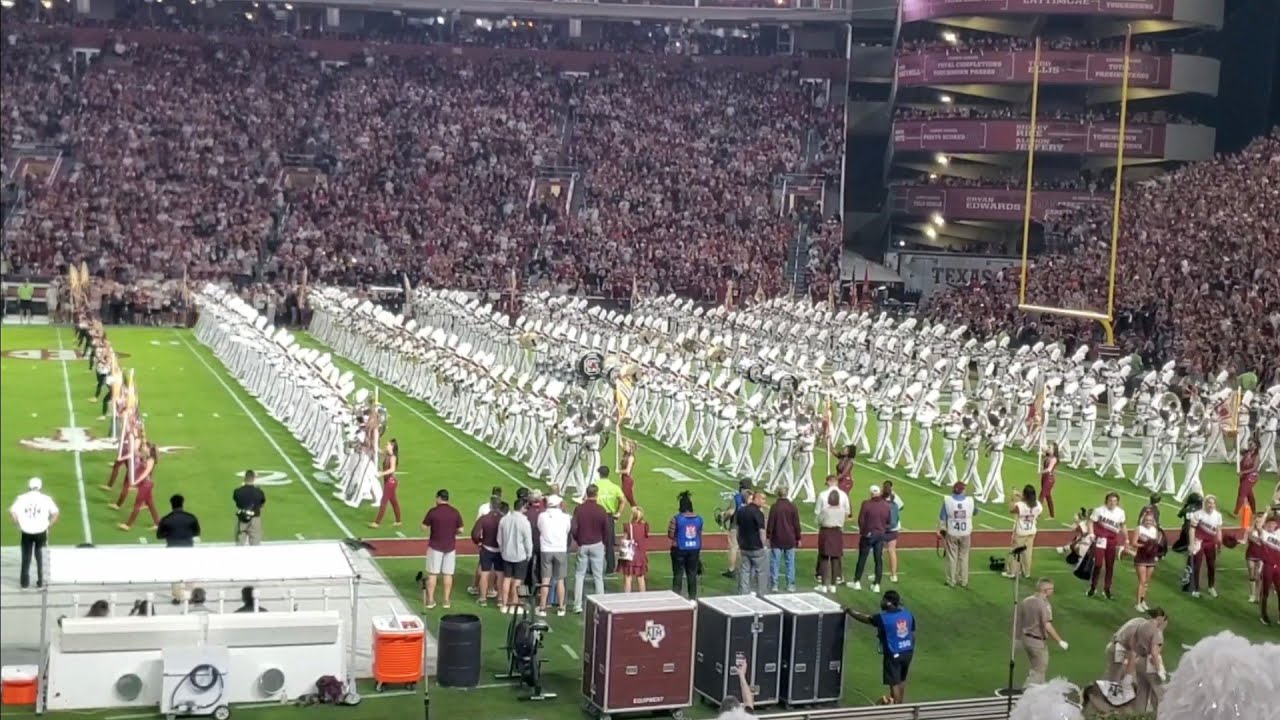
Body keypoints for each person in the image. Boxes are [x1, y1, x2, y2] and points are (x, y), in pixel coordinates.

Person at [845, 590, 915, 705]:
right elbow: (912, 635)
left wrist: (850, 611)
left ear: (888, 602)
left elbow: (865, 619)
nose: (881, 601)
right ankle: (901, 705)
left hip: (893, 653)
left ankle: (897, 708)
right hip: (908, 651)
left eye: (883, 599)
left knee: (894, 682)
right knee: (901, 680)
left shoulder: (883, 618)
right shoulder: (907, 614)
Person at [1104, 609, 1169, 713]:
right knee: (1116, 677)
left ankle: (1116, 703)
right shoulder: (1149, 629)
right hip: (1120, 648)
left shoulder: (1140, 622)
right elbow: (1134, 651)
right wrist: (1128, 676)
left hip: (1116, 645)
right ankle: (1111, 705)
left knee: (1119, 678)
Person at [1015, 578, 1069, 687]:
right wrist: (1060, 641)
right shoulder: (1044, 605)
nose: (1053, 591)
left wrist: (1017, 638)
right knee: (1039, 670)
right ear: (1045, 590)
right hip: (1037, 642)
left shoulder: (1026, 601)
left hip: (1026, 639)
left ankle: (1039, 692)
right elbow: (1046, 625)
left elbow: (1020, 620)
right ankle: (1027, 692)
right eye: (1051, 589)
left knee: (1037, 668)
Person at [10, 477, 59, 589]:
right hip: (41, 532)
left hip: (26, 532)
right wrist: (49, 525)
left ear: (29, 487)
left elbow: (13, 512)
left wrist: (18, 524)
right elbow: (55, 513)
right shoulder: (46, 499)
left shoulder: (21, 498)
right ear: (40, 487)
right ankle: (41, 582)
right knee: (41, 557)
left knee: (26, 557)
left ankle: (24, 583)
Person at [421, 489, 463, 609]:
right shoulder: (454, 512)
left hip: (435, 546)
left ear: (439, 498)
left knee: (433, 573)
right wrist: (452, 532)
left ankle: (430, 600)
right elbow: (461, 530)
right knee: (448, 574)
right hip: (450, 546)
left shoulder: (433, 512)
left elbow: (423, 527)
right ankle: (446, 600)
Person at [571, 484, 610, 613]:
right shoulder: (601, 510)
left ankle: (577, 605)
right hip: (597, 544)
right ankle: (601, 605)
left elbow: (574, 528)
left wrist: (578, 540)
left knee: (579, 575)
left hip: (583, 544)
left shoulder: (579, 509)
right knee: (598, 576)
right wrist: (603, 542)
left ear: (586, 494)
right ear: (596, 494)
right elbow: (606, 529)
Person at [497, 497, 534, 615]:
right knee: (518, 581)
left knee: (507, 579)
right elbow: (528, 541)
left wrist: (503, 550)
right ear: (522, 507)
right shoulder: (524, 522)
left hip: (506, 554)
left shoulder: (504, 519)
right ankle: (514, 605)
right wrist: (529, 554)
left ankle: (504, 605)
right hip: (520, 555)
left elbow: (499, 539)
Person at [1088, 492, 1127, 599]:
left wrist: (1126, 538)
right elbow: (1091, 521)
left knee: (1110, 565)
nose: (1112, 503)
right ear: (1106, 501)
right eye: (1110, 500)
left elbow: (1123, 525)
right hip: (1100, 539)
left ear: (1117, 502)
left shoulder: (1121, 512)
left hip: (1112, 540)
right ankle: (1093, 587)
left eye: (1114, 501)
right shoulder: (1099, 510)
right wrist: (1091, 533)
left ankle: (1107, 589)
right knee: (1098, 564)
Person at [537, 495, 572, 616]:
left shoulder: (542, 516)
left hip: (546, 549)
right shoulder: (565, 517)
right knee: (560, 580)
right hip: (560, 549)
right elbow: (567, 530)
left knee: (545, 580)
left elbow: (540, 528)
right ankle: (561, 608)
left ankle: (542, 608)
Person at [813, 474, 850, 584]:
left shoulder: (822, 495)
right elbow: (847, 512)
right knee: (837, 553)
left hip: (825, 527)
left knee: (823, 553)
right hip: (838, 528)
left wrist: (821, 522)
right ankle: (837, 576)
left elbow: (817, 512)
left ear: (828, 482)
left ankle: (820, 575)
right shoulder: (843, 495)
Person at [939, 481, 976, 588]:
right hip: (965, 533)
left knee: (952, 557)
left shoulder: (948, 501)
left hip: (952, 532)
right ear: (963, 490)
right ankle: (963, 580)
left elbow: (942, 517)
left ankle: (951, 580)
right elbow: (975, 512)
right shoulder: (970, 501)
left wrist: (941, 529)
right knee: (964, 557)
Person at [1187, 493, 1224, 599]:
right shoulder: (1198, 514)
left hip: (1211, 543)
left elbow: (1219, 530)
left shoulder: (1218, 515)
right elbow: (1192, 529)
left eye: (1213, 503)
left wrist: (1219, 543)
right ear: (1205, 503)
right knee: (1197, 565)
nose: (1211, 505)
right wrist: (1191, 544)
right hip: (1199, 542)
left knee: (1211, 565)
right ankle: (1195, 588)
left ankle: (1211, 587)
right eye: (1209, 503)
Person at [668, 491, 703, 600]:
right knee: (692, 575)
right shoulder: (699, 519)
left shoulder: (676, 519)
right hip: (694, 548)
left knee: (678, 574)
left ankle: (676, 597)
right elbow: (699, 532)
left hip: (679, 548)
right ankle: (692, 598)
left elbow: (670, 534)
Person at [118, 442, 159, 532]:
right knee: (150, 504)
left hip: (146, 485)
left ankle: (128, 525)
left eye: (144, 446)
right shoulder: (144, 456)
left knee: (137, 504)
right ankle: (158, 523)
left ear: (149, 449)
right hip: (144, 484)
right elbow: (135, 452)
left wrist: (135, 482)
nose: (142, 447)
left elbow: (145, 474)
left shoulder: (151, 460)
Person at [734, 491, 769, 596]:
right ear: (756, 499)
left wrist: (739, 542)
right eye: (762, 499)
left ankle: (743, 593)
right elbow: (761, 531)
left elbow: (737, 529)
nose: (764, 502)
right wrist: (764, 545)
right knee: (761, 572)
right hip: (757, 547)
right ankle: (762, 593)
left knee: (745, 571)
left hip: (744, 547)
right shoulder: (758, 513)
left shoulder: (741, 511)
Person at [470, 498, 503, 608]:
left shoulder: (484, 518)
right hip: (500, 549)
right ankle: (500, 599)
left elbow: (475, 534)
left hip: (486, 548)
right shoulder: (503, 518)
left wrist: (479, 542)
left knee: (485, 573)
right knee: (500, 574)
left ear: (491, 506)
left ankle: (483, 599)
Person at [766, 492, 802, 593]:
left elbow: (770, 523)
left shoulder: (774, 507)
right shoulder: (792, 506)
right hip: (790, 538)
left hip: (777, 538)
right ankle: (790, 585)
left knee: (775, 562)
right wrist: (798, 538)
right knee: (790, 562)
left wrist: (768, 536)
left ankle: (774, 585)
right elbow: (796, 524)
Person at [1006, 485, 1042, 579]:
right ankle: (1026, 572)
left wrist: (1013, 499)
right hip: (1031, 531)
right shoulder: (1038, 504)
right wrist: (1020, 496)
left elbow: (1012, 510)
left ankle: (1012, 571)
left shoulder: (1020, 505)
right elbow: (1030, 505)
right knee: (1028, 553)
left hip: (1021, 531)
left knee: (1016, 551)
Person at [594, 467, 626, 575]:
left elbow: (587, 499)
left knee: (595, 542)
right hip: (609, 517)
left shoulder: (595, 486)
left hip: (597, 516)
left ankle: (594, 566)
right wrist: (618, 513)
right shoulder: (614, 487)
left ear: (599, 474)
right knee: (609, 544)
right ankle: (610, 567)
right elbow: (623, 500)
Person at [1130, 507, 1162, 612]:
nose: (1148, 522)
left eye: (1150, 521)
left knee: (1147, 582)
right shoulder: (1139, 529)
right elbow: (1133, 543)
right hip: (1141, 557)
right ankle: (1138, 603)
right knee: (1142, 581)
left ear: (1153, 521)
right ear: (1143, 520)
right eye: (1147, 520)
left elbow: (1155, 544)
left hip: (1151, 558)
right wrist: (1145, 545)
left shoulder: (1154, 530)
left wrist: (1155, 550)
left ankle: (1143, 601)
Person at [816, 489, 845, 593]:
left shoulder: (825, 510)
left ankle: (823, 585)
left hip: (826, 533)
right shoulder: (842, 510)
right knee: (835, 559)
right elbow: (842, 522)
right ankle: (833, 585)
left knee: (824, 558)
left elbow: (819, 521)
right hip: (837, 533)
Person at [370, 438, 401, 528]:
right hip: (389, 481)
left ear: (392, 446)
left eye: (387, 445)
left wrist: (381, 473)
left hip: (391, 482)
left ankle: (377, 523)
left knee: (383, 501)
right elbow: (379, 451)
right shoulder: (387, 454)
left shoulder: (393, 457)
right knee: (394, 501)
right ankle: (398, 521)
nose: (386, 446)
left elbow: (392, 469)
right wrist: (372, 443)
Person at [723, 481, 751, 580]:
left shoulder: (737, 497)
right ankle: (745, 568)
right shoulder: (753, 497)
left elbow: (731, 512)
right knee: (745, 548)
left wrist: (724, 518)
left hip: (736, 525)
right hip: (749, 527)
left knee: (733, 548)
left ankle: (731, 569)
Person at [618, 507, 649, 593]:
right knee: (641, 578)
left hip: (630, 555)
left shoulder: (628, 526)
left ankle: (627, 598)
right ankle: (643, 597)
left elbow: (624, 540)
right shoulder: (645, 526)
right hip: (641, 555)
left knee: (628, 578)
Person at [232, 469, 266, 546]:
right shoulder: (259, 492)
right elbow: (262, 504)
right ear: (254, 479)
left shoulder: (237, 491)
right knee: (255, 544)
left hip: (242, 518)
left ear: (244, 478)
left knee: (240, 543)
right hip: (255, 519)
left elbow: (236, 502)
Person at [1257, 512, 1280, 625]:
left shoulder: (1278, 534)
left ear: (1276, 525)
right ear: (1266, 524)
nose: (1271, 525)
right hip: (1268, 566)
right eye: (1269, 523)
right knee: (1265, 591)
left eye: (1273, 523)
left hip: (1278, 567)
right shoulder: (1264, 534)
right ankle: (1263, 615)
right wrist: (1266, 513)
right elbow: (1258, 526)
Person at [882, 480, 904, 583]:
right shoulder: (895, 497)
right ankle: (894, 575)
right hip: (894, 528)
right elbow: (901, 507)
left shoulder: (880, 497)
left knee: (879, 551)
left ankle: (878, 572)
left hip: (882, 527)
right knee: (892, 550)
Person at [1246, 512, 1267, 604]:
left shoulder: (1265, 532)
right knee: (1251, 574)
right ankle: (1252, 595)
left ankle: (1258, 595)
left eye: (1260, 522)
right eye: (1257, 521)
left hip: (1261, 556)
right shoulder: (1250, 530)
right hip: (1250, 554)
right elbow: (1245, 540)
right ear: (1254, 521)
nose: (1258, 523)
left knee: (1258, 576)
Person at [1235, 440, 1260, 517]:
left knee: (1242, 493)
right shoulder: (1246, 453)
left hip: (1251, 477)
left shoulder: (1256, 456)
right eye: (1249, 443)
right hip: (1244, 476)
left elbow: (1254, 468)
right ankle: (1254, 512)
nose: (1249, 444)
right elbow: (1237, 448)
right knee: (1249, 494)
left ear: (1255, 446)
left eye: (1251, 443)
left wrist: (1243, 472)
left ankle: (1236, 512)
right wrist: (1235, 438)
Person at [1040, 443, 1059, 519]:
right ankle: (1052, 515)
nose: (1048, 448)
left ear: (1054, 450)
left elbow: (1049, 469)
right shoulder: (1047, 456)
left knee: (1042, 496)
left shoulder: (1054, 459)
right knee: (1048, 496)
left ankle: (1036, 514)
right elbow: (1042, 446)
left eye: (1050, 448)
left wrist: (1041, 472)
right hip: (1044, 478)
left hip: (1049, 479)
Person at [619, 439, 639, 508]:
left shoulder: (631, 457)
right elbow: (620, 444)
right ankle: (637, 511)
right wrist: (618, 433)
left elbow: (627, 471)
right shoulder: (626, 453)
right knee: (629, 499)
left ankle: (618, 513)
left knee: (624, 498)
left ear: (630, 448)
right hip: (624, 479)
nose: (625, 446)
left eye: (626, 445)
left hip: (627, 480)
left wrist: (619, 471)